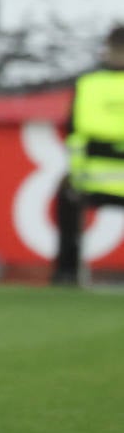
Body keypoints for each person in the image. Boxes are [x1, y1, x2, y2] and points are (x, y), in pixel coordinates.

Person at [52, 25, 124, 285]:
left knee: (67, 194)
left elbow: (74, 133)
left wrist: (78, 174)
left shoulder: (89, 84)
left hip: (93, 180)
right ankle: (67, 273)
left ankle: (67, 273)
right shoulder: (90, 83)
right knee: (68, 191)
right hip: (95, 178)